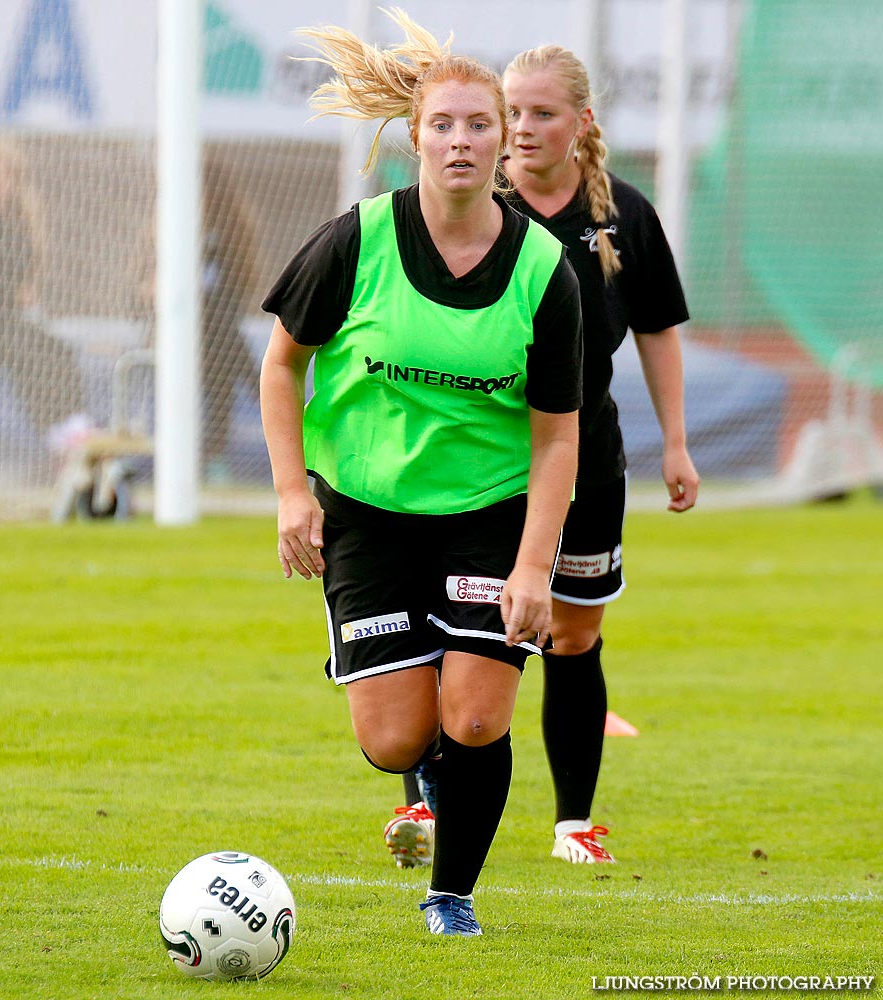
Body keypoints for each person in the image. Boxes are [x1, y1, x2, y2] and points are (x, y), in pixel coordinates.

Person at [259, 10, 583, 936]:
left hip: (488, 509)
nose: (462, 140)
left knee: (478, 717)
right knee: (396, 737)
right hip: (368, 511)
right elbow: (281, 364)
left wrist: (532, 567)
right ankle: (423, 757)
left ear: (505, 140)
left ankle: (452, 895)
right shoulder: (354, 242)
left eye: (481, 125)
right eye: (443, 124)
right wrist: (292, 494)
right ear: (414, 136)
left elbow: (557, 436)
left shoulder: (542, 270)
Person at [385, 44, 700, 868]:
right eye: (511, 113)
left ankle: (574, 825)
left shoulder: (621, 214)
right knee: (446, 625)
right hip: (481, 462)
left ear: (583, 123)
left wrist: (676, 442)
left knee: (572, 637)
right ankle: (422, 801)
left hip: (585, 459)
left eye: (541, 113)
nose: (522, 128)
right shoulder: (472, 205)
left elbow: (658, 329)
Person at [134, 150, 260, 480]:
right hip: (173, 330)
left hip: (217, 330)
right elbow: (140, 287)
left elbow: (236, 290)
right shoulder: (160, 231)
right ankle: (258, 387)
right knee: (230, 355)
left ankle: (212, 455)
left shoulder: (229, 235)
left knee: (221, 356)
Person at [0, 135, 84, 442]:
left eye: (5, 178)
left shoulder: (12, 229)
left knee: (52, 347)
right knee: (18, 344)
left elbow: (9, 285)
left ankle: (67, 431)